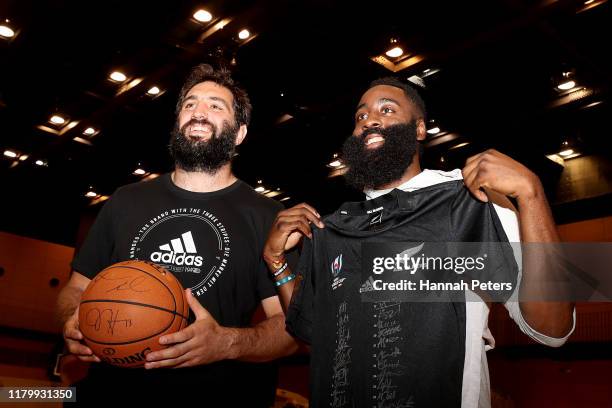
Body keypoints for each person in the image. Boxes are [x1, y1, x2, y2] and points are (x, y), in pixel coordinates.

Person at [263, 77, 575, 407]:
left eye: (387, 109)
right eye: (360, 116)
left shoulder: (469, 198)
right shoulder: (335, 227)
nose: (369, 119)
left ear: (419, 129)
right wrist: (276, 262)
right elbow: (316, 334)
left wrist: (532, 194)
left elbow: (553, 328)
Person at [56, 64, 298, 406]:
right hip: (109, 393)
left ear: (240, 133)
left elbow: (291, 330)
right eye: (189, 104)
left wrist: (226, 342)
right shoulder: (126, 200)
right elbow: (76, 289)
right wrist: (72, 321)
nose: (198, 112)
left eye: (216, 105)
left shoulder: (268, 216)